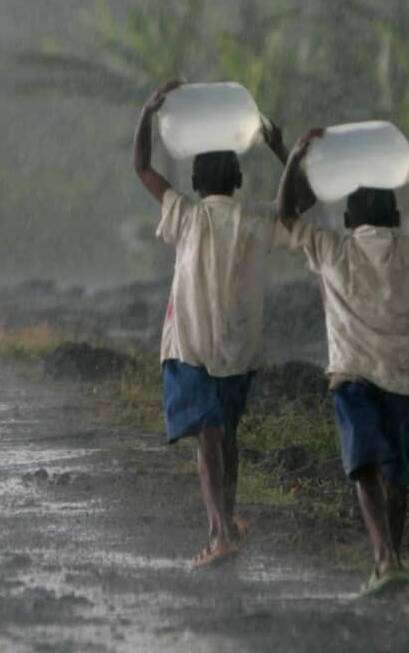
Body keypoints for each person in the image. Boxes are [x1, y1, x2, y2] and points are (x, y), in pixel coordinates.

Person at [275, 128, 409, 596]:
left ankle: (386, 559)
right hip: (405, 379)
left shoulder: (335, 250)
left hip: (353, 377)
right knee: (397, 474)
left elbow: (285, 214)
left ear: (348, 218)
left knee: (363, 468)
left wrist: (294, 157)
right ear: (397, 215)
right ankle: (391, 560)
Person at [132, 79, 290, 569]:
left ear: (197, 184)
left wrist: (147, 112)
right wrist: (283, 150)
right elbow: (299, 207)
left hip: (191, 346)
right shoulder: (255, 220)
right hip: (239, 349)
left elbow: (141, 166)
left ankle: (220, 532)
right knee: (228, 435)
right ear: (238, 181)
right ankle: (229, 518)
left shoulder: (185, 213)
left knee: (208, 438)